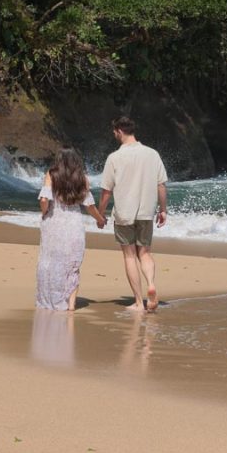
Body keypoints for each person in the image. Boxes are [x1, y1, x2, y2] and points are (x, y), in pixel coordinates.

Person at [99, 116, 168, 312]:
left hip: (123, 213)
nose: (114, 135)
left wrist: (100, 214)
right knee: (145, 252)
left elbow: (106, 191)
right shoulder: (152, 154)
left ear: (119, 131)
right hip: (146, 212)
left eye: (114, 131)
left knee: (129, 256)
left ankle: (139, 302)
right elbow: (161, 185)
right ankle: (151, 284)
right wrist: (163, 210)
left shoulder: (114, 158)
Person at [37, 147, 106, 311]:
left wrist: (45, 212)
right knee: (72, 265)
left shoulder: (52, 174)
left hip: (54, 221)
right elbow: (89, 206)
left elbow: (44, 198)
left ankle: (49, 299)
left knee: (49, 262)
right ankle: (71, 304)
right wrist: (100, 219)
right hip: (74, 223)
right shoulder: (82, 178)